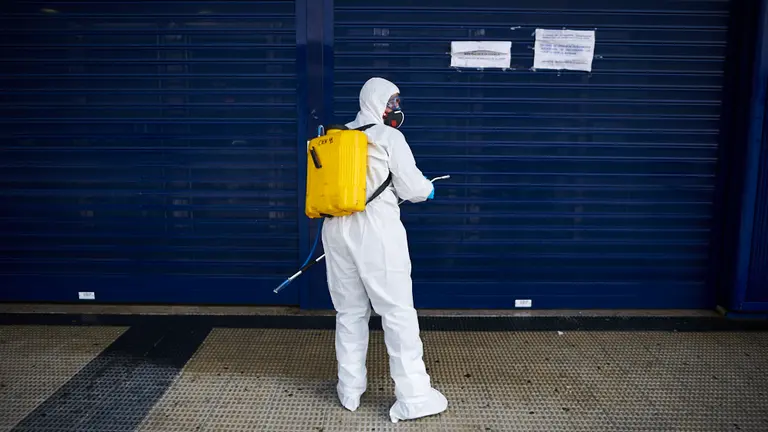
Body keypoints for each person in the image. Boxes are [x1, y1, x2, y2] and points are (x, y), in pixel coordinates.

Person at [321, 77, 448, 423]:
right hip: (376, 230)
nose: (395, 108)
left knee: (349, 312)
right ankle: (414, 397)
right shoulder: (389, 137)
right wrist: (428, 189)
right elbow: (413, 186)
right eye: (392, 101)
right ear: (377, 101)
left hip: (334, 229)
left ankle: (349, 390)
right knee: (397, 312)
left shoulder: (335, 136)